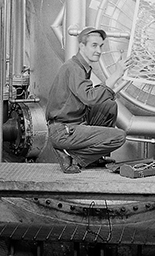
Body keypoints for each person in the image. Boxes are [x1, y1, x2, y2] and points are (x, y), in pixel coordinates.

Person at [46, 27, 127, 173]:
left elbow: (92, 98)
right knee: (119, 137)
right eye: (94, 45)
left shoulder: (81, 67)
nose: (99, 51)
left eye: (101, 46)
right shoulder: (74, 68)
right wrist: (116, 74)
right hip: (63, 131)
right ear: (81, 46)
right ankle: (71, 157)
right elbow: (89, 98)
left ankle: (96, 157)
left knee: (108, 106)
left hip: (72, 125)